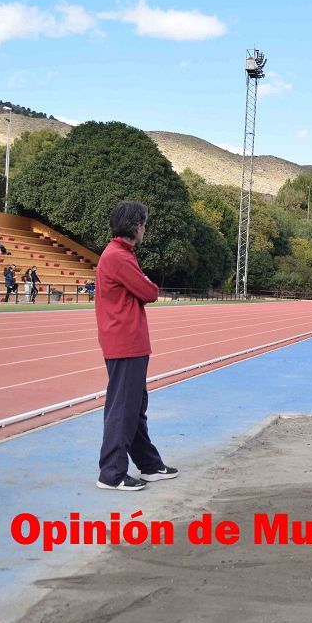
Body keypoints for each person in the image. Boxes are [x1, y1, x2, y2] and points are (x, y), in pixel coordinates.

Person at [95, 200, 177, 491]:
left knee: (134, 406)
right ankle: (112, 474)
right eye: (143, 223)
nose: (145, 228)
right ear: (134, 226)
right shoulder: (119, 256)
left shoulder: (121, 254)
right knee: (123, 408)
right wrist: (147, 285)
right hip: (125, 342)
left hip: (128, 341)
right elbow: (149, 291)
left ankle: (150, 465)